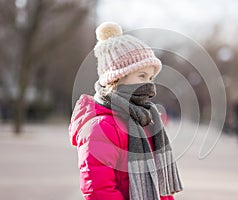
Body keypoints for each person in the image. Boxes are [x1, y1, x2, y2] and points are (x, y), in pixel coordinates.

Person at [69, 22, 183, 200]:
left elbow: (159, 186)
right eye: (142, 76)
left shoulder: (146, 119)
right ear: (117, 78)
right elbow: (99, 190)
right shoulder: (100, 127)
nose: (149, 85)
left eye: (151, 78)